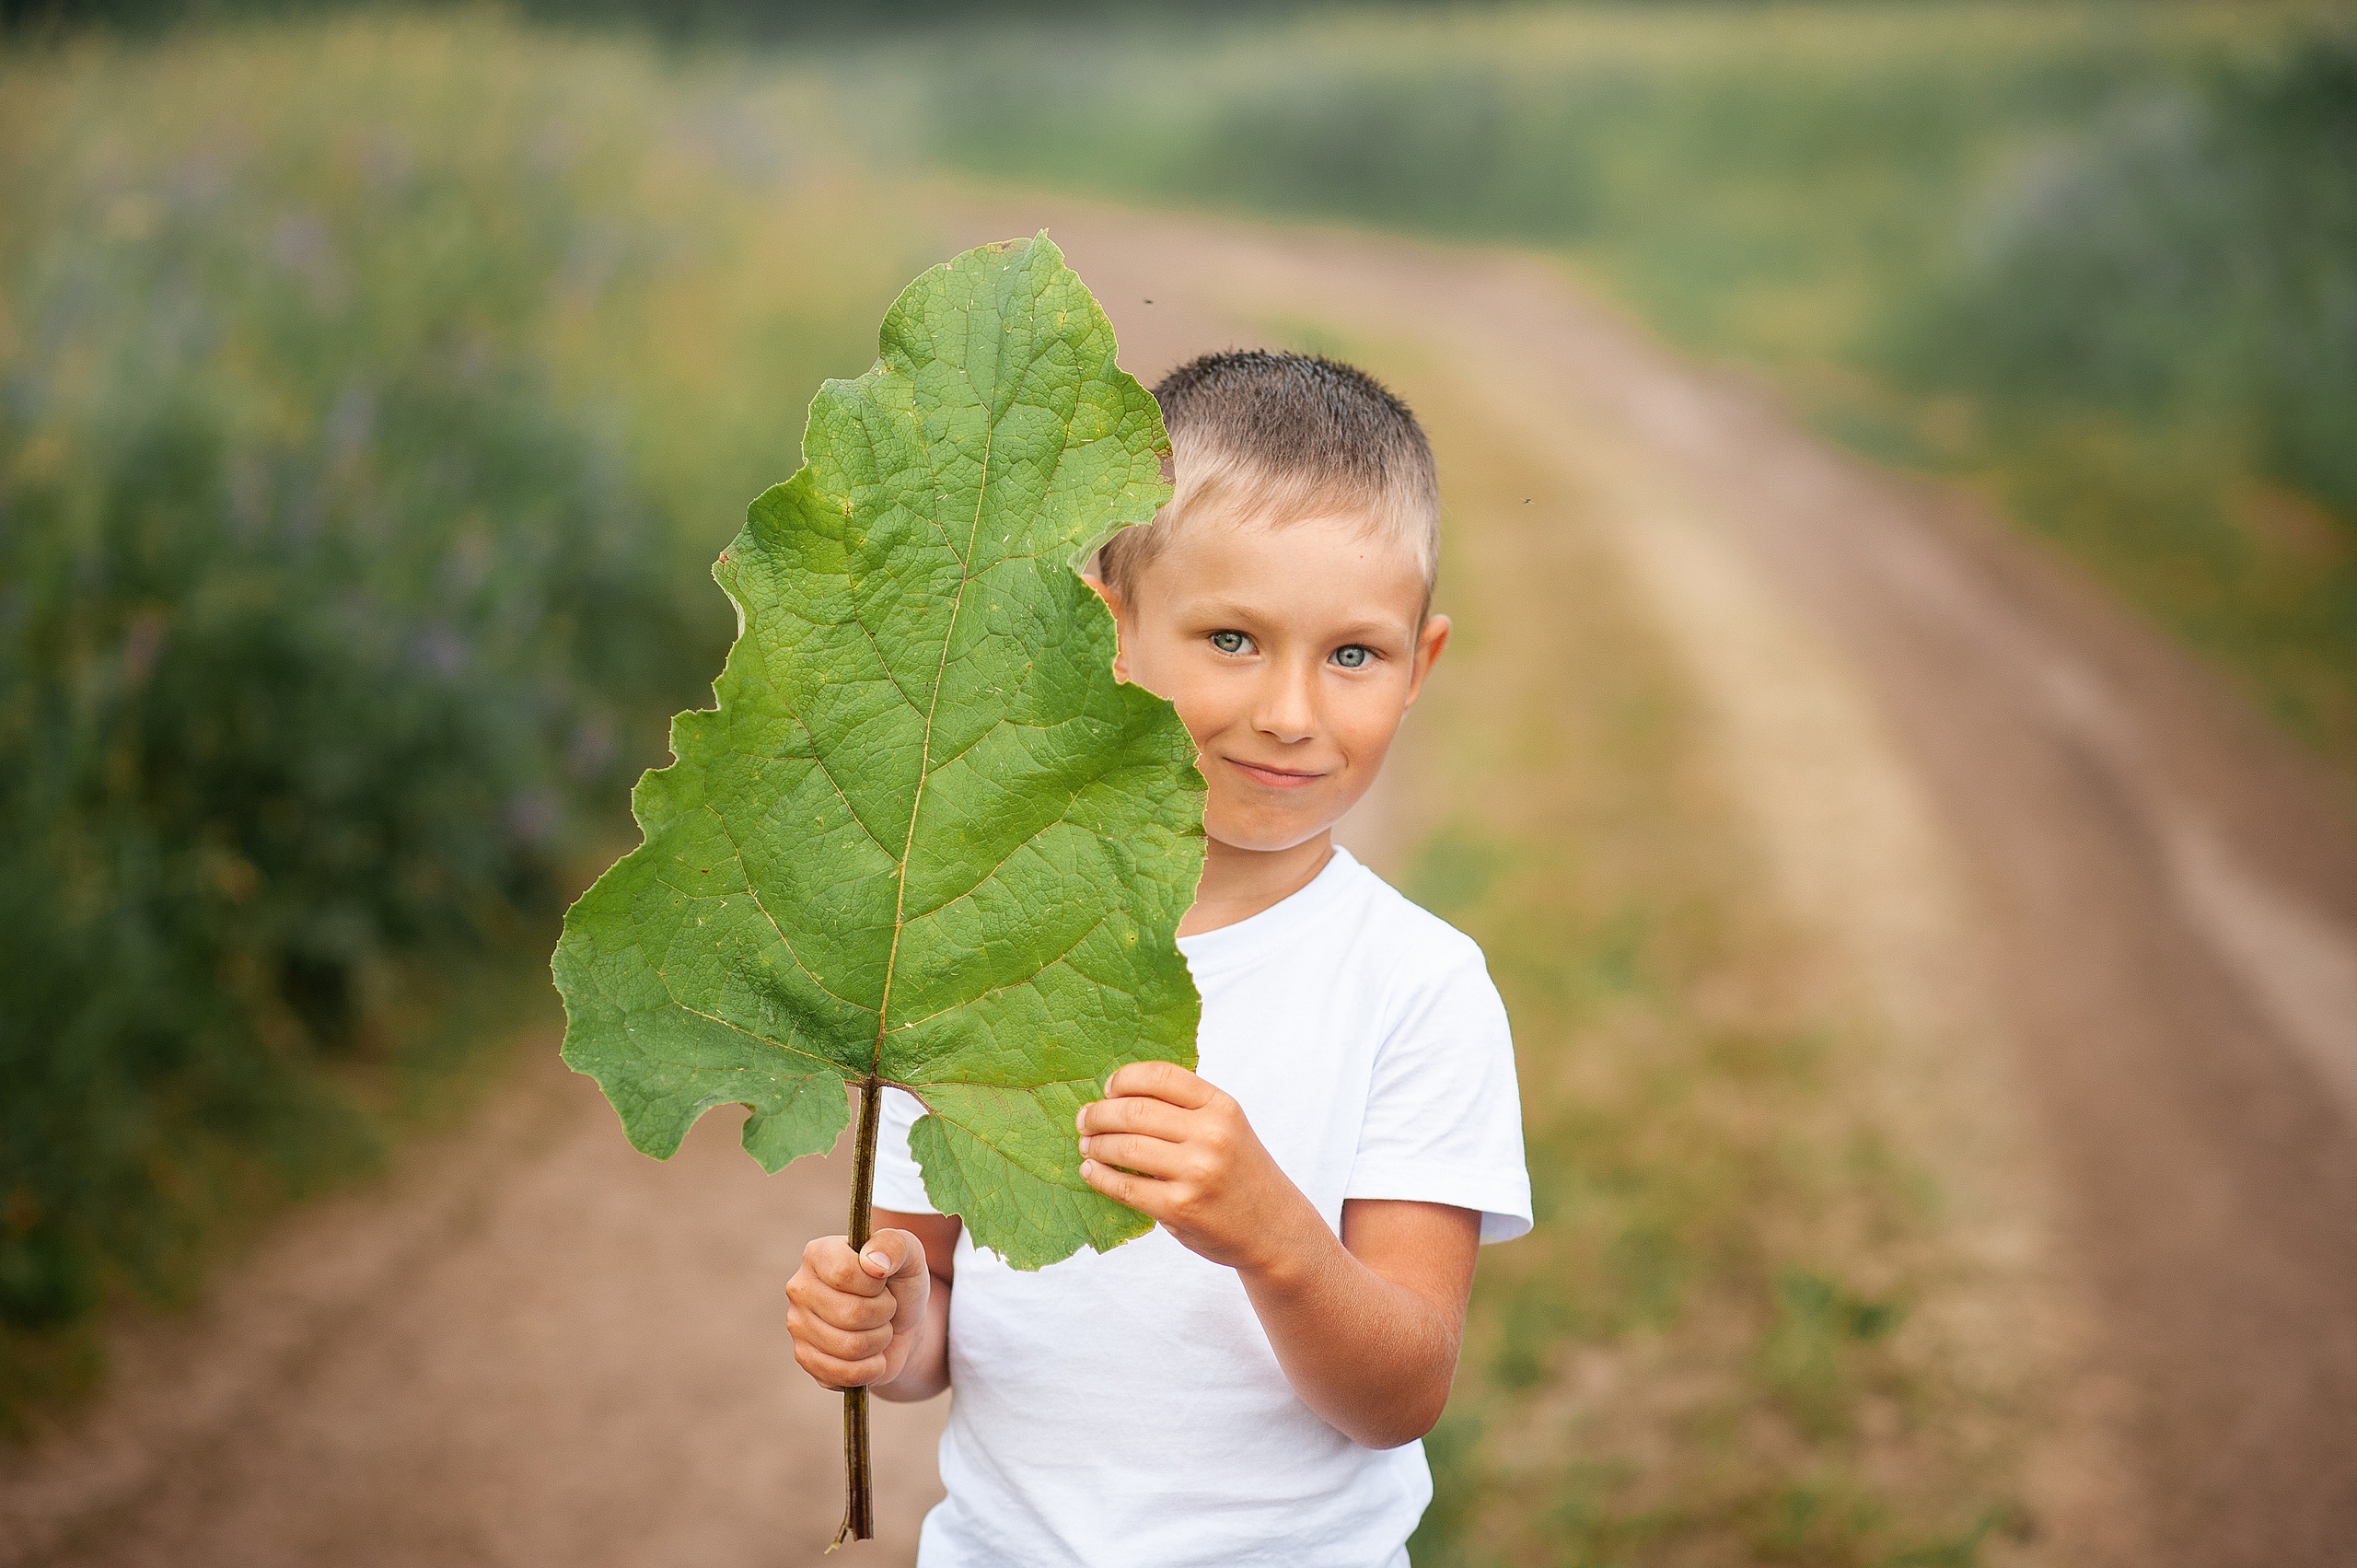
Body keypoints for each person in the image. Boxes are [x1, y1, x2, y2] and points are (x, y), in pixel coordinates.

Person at [784, 349, 1531, 1566]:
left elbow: (1404, 1395)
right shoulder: (978, 949)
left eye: (1353, 656)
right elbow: (931, 1319)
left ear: (1420, 667)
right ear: (1112, 629)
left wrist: (1273, 1235)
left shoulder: (1419, 988)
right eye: (1232, 639)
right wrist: (881, 1327)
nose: (1291, 711)